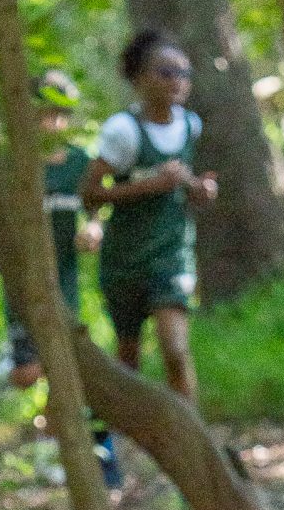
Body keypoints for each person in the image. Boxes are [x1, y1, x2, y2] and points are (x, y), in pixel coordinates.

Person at [0, 69, 121, 493]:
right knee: (29, 372)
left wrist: (94, 230)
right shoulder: (14, 166)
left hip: (64, 288)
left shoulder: (81, 165)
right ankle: (6, 367)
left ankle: (62, 456)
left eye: (60, 114)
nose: (53, 123)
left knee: (62, 370)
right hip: (22, 291)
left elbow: (95, 213)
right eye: (44, 113)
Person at [81, 30, 216, 406]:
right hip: (125, 259)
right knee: (128, 356)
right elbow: (90, 193)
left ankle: (192, 439)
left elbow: (183, 185)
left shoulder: (191, 126)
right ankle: (124, 444)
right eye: (166, 73)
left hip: (171, 254)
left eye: (184, 74)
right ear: (140, 79)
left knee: (175, 348)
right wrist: (150, 186)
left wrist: (199, 189)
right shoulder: (122, 131)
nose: (177, 82)